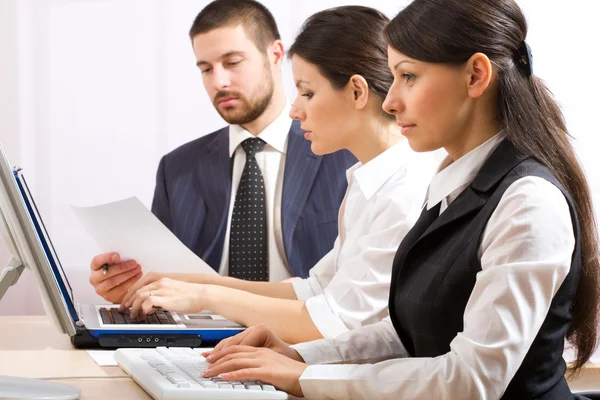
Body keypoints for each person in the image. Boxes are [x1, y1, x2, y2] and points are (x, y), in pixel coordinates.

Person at [199, 0, 600, 398]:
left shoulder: (527, 203)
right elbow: (410, 329)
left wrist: (304, 377)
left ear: (475, 75)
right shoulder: (452, 180)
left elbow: (471, 380)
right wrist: (300, 357)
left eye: (408, 77)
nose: (390, 101)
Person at [119, 6, 437, 344]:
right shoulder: (367, 181)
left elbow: (329, 322)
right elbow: (313, 290)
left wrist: (205, 297)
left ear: (357, 92)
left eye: (307, 92)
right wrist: (181, 283)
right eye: (206, 68)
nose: (296, 109)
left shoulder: (405, 191)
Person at [87, 0, 357, 304]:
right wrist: (130, 283)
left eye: (232, 62)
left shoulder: (344, 153)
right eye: (206, 69)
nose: (219, 82)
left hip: (302, 336)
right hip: (202, 339)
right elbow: (160, 277)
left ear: (275, 54)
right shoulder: (176, 169)